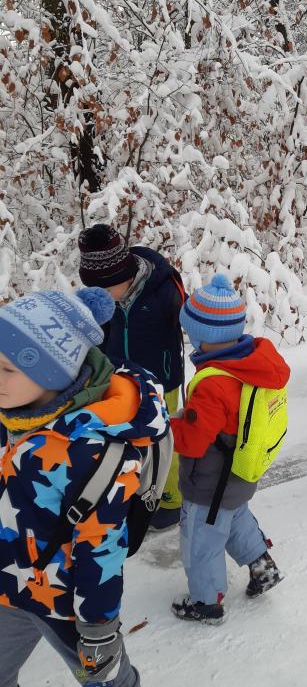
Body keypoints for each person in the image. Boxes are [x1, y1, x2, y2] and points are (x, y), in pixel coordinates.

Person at [0, 288, 169, 687]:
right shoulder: (14, 416)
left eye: (7, 368)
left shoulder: (92, 454)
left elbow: (101, 548)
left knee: (107, 683)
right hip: (7, 585)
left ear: (52, 375)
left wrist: (99, 628)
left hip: (62, 601)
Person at [170, 274, 290, 624]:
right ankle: (262, 567)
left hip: (210, 483)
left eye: (192, 334)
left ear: (206, 338)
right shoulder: (250, 363)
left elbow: (193, 440)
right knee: (236, 517)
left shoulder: (213, 384)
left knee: (201, 541)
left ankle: (206, 603)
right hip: (241, 471)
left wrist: (167, 426)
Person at [78, 224, 185, 529]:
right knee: (126, 442)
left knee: (163, 441)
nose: (100, 298)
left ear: (124, 277)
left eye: (104, 291)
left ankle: (171, 500)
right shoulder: (102, 300)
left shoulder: (163, 288)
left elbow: (188, 322)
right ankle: (134, 493)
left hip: (161, 381)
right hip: (120, 383)